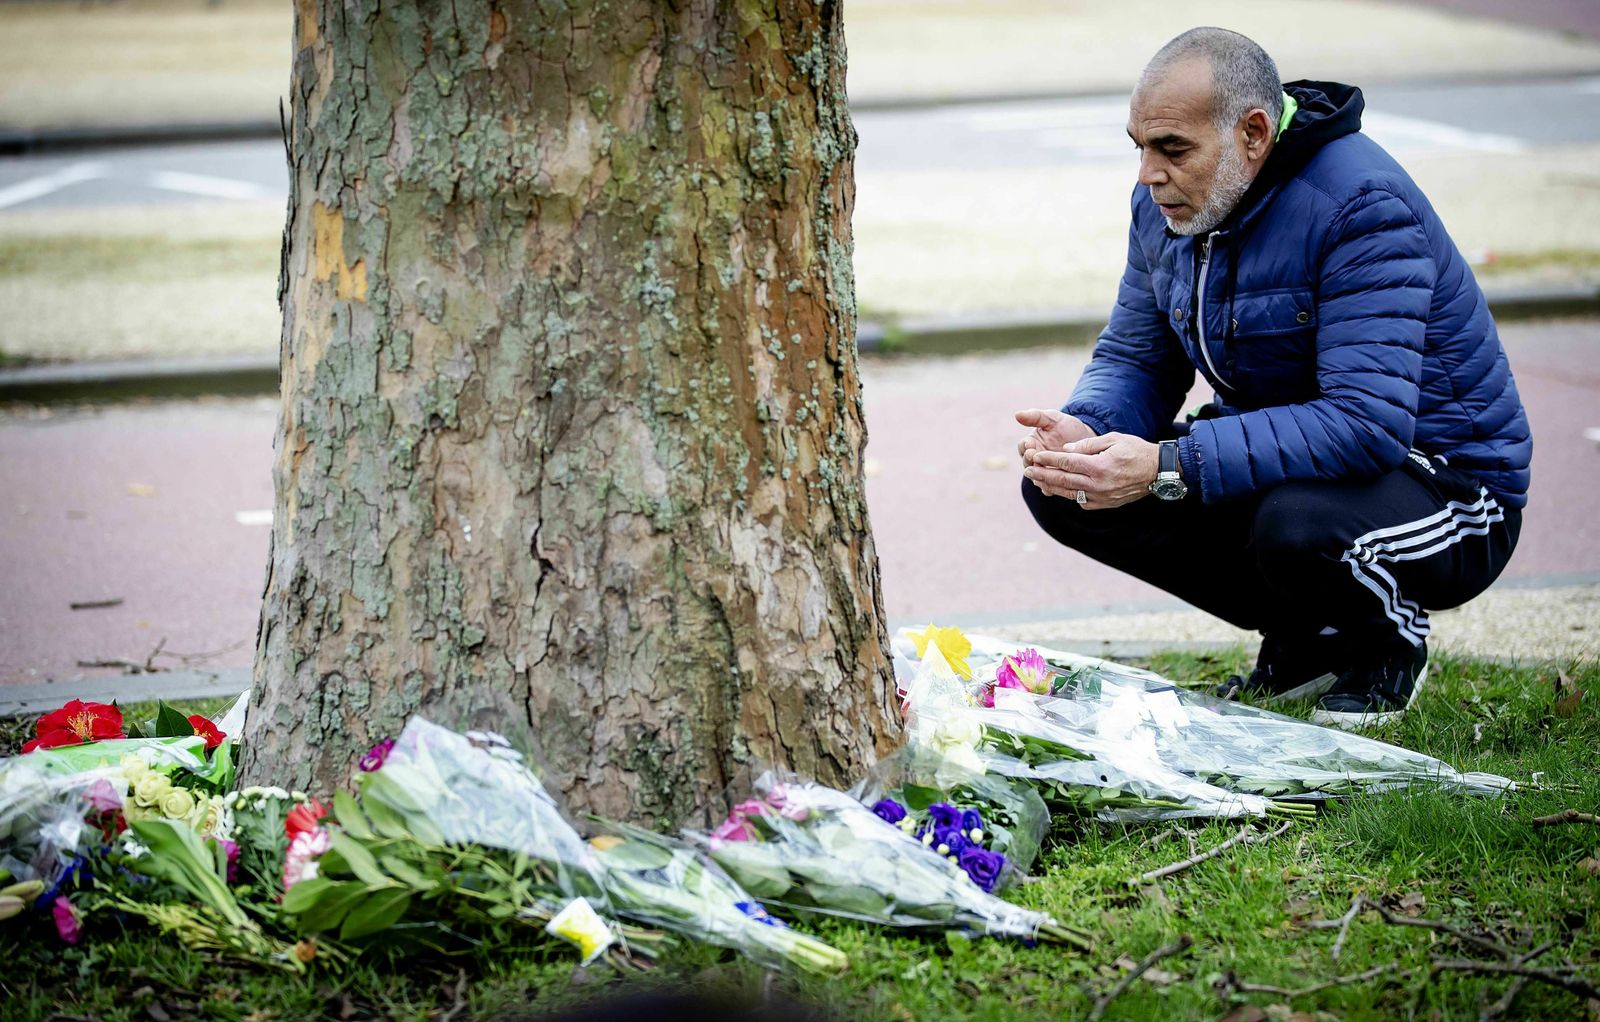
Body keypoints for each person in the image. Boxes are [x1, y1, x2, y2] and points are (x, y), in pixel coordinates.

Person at [1015, 27, 1530, 729]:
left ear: (1254, 133)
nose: (1147, 174)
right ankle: (1311, 639)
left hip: (1451, 490)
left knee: (1294, 524)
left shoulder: (1361, 204)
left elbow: (1365, 426)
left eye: (1172, 148)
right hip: (1299, 472)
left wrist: (1169, 463)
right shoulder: (1168, 207)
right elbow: (1139, 358)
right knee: (1069, 490)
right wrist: (1090, 429)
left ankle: (1385, 643)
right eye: (1139, 145)